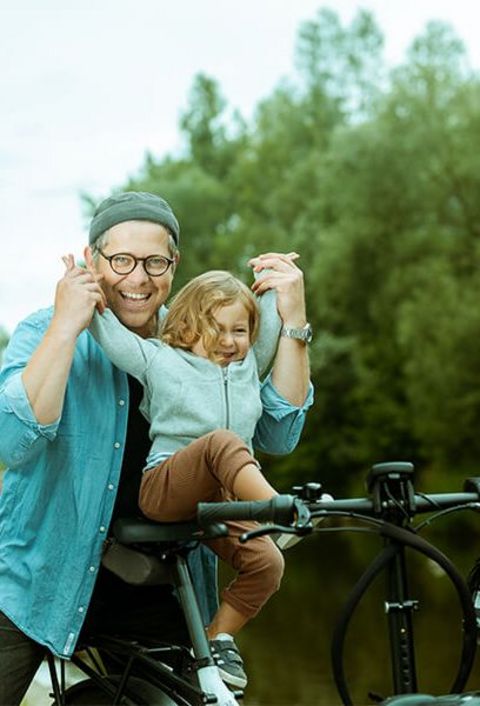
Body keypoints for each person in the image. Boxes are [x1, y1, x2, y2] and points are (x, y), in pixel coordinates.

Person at [0, 191, 313, 705]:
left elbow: (279, 434)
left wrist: (292, 320)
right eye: (121, 260)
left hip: (162, 585)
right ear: (92, 260)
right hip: (40, 578)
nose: (138, 278)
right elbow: (14, 442)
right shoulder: (44, 329)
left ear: (174, 265)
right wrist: (66, 323)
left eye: (154, 262)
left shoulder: (199, 338)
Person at [85, 264, 307, 688]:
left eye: (238, 331)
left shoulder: (247, 366)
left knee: (267, 564)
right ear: (186, 325)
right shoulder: (159, 360)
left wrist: (281, 287)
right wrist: (91, 290)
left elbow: (272, 315)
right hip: (166, 486)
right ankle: (279, 513)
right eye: (214, 328)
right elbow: (109, 334)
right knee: (221, 442)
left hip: (220, 499)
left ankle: (215, 642)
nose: (228, 341)